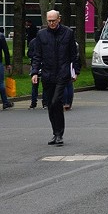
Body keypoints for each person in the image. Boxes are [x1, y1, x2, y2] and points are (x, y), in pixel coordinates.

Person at [31, 11, 79, 146]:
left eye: (53, 20)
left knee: (56, 101)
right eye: (49, 21)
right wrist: (34, 72)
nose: (51, 23)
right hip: (47, 74)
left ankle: (59, 134)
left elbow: (73, 55)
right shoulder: (41, 35)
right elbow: (37, 55)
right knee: (50, 105)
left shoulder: (68, 33)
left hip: (62, 73)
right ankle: (55, 132)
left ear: (59, 19)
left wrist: (75, 71)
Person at [27, 35, 42, 108]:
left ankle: (33, 103)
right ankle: (45, 103)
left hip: (34, 64)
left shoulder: (33, 41)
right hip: (44, 64)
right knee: (45, 85)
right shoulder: (46, 41)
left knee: (34, 85)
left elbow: (29, 54)